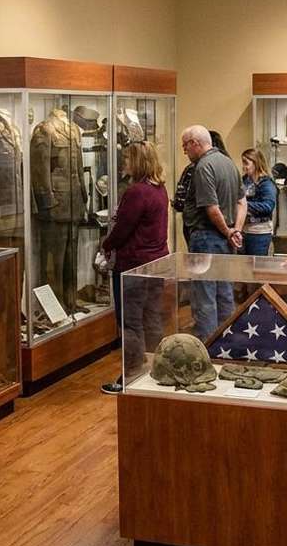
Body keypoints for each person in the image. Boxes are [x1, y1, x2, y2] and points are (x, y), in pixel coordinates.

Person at [99, 141, 170, 394]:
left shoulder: (137, 192)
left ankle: (130, 375)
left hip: (134, 265)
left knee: (130, 322)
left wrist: (106, 244)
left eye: (128, 158)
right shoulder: (159, 189)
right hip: (155, 263)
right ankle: (157, 369)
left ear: (138, 161)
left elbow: (122, 230)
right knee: (151, 318)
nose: (124, 163)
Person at [180, 126, 245, 339]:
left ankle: (207, 347)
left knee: (204, 296)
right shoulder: (228, 162)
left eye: (185, 145)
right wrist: (235, 230)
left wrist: (228, 232)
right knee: (225, 292)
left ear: (195, 143)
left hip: (206, 237)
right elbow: (242, 202)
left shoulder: (203, 166)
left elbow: (212, 208)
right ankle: (227, 343)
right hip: (225, 239)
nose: (184, 150)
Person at [239, 148, 277, 257]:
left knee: (257, 264)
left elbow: (268, 206)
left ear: (256, 163)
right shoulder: (245, 180)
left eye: (246, 163)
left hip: (259, 233)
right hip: (245, 231)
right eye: (243, 163)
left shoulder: (266, 183)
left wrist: (243, 205)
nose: (244, 167)